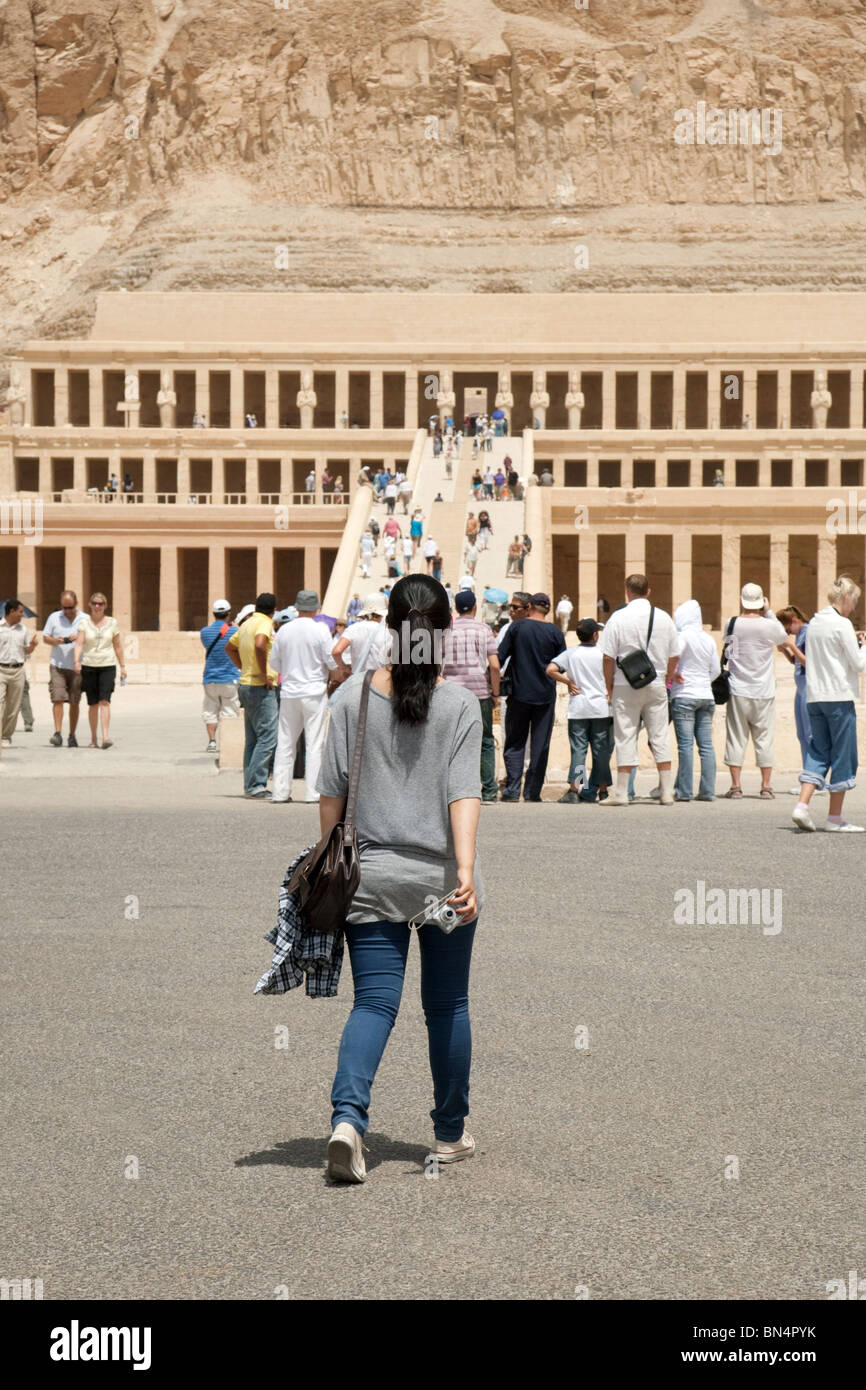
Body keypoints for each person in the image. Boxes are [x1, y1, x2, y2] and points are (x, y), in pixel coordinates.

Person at [320, 574, 483, 1182]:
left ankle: (347, 1121)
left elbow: (331, 796)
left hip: (369, 877)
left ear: (390, 626)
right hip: (439, 881)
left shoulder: (349, 699)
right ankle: (447, 1135)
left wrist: (326, 862)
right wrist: (463, 871)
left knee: (374, 1004)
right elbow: (463, 793)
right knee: (447, 1006)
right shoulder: (460, 704)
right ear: (443, 630)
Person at [791, 577, 866, 833]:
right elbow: (857, 664)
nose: (854, 607)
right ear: (845, 598)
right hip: (838, 697)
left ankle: (801, 806)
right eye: (853, 601)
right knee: (843, 755)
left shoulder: (814, 623)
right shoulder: (842, 623)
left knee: (817, 751)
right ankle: (835, 818)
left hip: (815, 697)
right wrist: (864, 646)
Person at [601, 574, 682, 805]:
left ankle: (621, 793)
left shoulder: (618, 618)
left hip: (626, 683)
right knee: (660, 736)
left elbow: (607, 657)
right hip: (655, 682)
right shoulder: (664, 618)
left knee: (625, 735)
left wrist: (608, 686)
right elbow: (674, 654)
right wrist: (665, 677)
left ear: (627, 591)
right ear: (649, 591)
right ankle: (666, 791)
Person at [723, 584, 796, 799]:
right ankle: (766, 786)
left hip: (738, 687)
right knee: (764, 738)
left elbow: (729, 647)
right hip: (763, 689)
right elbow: (783, 636)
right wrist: (770, 611)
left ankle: (736, 786)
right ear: (760, 601)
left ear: (741, 600)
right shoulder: (768, 626)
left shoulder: (732, 623)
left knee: (736, 737)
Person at [270, 590, 341, 804]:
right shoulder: (320, 630)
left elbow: (274, 663)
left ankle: (280, 792)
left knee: (285, 742)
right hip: (314, 691)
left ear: (297, 607)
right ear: (316, 608)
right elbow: (330, 660)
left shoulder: (284, 630)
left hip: (290, 691)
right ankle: (313, 793)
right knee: (315, 742)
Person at [497, 593, 564, 801]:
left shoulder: (516, 628)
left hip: (518, 693)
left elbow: (500, 657)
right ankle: (532, 791)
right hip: (544, 695)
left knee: (515, 741)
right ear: (548, 609)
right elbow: (562, 663)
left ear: (530, 607)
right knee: (540, 744)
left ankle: (513, 789)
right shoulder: (555, 632)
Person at [442, 589, 501, 803]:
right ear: (475, 607)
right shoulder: (484, 629)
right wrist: (495, 693)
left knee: (449, 741)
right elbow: (494, 666)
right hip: (479, 692)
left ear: (456, 608)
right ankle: (488, 790)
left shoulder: (446, 630)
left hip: (449, 692)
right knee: (485, 740)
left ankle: (451, 790)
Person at [547, 618, 612, 803]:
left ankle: (576, 788)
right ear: (595, 635)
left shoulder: (571, 653)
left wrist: (568, 682)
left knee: (579, 750)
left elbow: (550, 669)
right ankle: (603, 789)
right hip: (600, 707)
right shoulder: (603, 653)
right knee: (600, 750)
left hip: (579, 708)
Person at [224, 593, 278, 798]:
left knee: (253, 738)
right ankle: (256, 785)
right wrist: (264, 673)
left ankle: (250, 785)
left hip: (246, 683)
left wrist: (243, 666)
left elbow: (229, 647)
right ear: (274, 609)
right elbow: (260, 643)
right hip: (259, 686)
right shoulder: (264, 623)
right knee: (268, 737)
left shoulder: (246, 623)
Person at [670, 599, 720, 802]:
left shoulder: (682, 636)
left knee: (686, 745)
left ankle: (684, 791)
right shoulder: (708, 639)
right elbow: (716, 670)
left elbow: (673, 655)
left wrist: (673, 673)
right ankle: (708, 791)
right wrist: (702, 682)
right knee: (706, 746)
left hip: (684, 695)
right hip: (706, 696)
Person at [73, 592, 127, 749]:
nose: (97, 606)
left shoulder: (112, 623)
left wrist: (122, 666)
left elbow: (117, 646)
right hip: (89, 665)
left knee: (105, 701)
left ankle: (105, 736)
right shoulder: (84, 623)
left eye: (100, 604)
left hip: (107, 665)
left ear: (105, 606)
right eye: (95, 603)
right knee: (93, 704)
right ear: (90, 605)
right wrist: (77, 661)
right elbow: (79, 643)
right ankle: (93, 738)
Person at [777, 605, 815, 795]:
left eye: (787, 628)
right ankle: (807, 779)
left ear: (794, 621)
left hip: (808, 685)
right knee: (802, 735)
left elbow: (808, 662)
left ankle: (815, 781)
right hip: (800, 686)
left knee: (810, 735)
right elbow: (797, 661)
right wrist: (785, 652)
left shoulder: (808, 632)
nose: (787, 632)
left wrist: (791, 646)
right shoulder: (799, 635)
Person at [43, 590, 84, 746]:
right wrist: (56, 641)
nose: (67, 611)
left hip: (77, 666)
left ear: (76, 604)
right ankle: (58, 733)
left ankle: (72, 735)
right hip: (58, 665)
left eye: (70, 608)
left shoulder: (85, 619)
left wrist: (79, 637)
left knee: (74, 701)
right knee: (58, 698)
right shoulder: (54, 617)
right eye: (64, 607)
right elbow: (45, 637)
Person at [199, 599, 239, 752]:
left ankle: (212, 742)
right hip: (229, 676)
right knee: (229, 710)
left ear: (213, 614)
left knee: (210, 710)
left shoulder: (204, 632)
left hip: (210, 677)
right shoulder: (234, 631)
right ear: (228, 614)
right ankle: (227, 744)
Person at [0, 599, 38, 758]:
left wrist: (33, 646)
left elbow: (27, 651)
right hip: (1, 669)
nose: (23, 615)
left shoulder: (23, 630)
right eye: (20, 612)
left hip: (17, 671)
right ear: (11, 612)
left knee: (14, 708)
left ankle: (6, 736)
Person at [332, 592, 391, 677]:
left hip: (358, 679)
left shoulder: (353, 628)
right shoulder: (387, 630)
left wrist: (344, 667)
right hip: (379, 679)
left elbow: (336, 651)